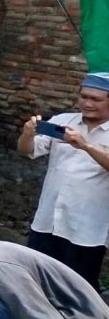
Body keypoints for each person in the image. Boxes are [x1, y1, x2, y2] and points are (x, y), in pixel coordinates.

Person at [16, 72, 109, 290]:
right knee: (35, 281)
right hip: (47, 220)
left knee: (78, 289)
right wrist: (27, 134)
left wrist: (85, 145)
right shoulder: (62, 121)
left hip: (86, 229)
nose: (87, 104)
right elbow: (26, 151)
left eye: (95, 99)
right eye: (84, 97)